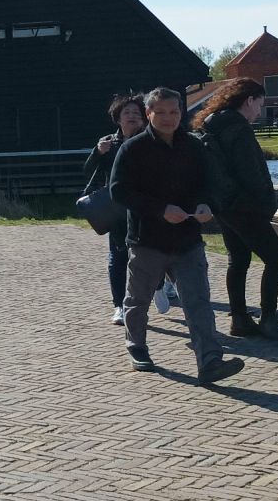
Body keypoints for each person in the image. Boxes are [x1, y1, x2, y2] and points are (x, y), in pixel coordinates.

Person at [109, 88, 244, 384]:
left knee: (198, 301)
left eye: (174, 112)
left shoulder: (195, 146)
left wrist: (210, 204)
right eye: (161, 112)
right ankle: (138, 347)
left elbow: (214, 184)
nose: (169, 118)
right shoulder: (132, 149)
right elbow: (119, 191)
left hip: (187, 239)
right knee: (138, 300)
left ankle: (210, 361)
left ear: (181, 113)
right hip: (148, 241)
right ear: (149, 114)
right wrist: (160, 209)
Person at [194, 77, 278, 342]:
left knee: (238, 260)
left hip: (224, 205)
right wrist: (265, 204)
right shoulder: (239, 129)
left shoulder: (211, 125)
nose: (259, 112)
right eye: (259, 105)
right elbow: (251, 172)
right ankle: (269, 319)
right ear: (248, 101)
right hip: (246, 207)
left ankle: (239, 318)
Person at [82, 94, 147, 325]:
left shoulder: (149, 141)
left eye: (137, 114)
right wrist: (98, 152)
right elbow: (88, 170)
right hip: (117, 209)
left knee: (149, 255)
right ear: (118, 118)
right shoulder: (108, 143)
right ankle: (119, 305)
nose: (132, 117)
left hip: (145, 208)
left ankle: (159, 287)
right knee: (117, 257)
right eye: (127, 113)